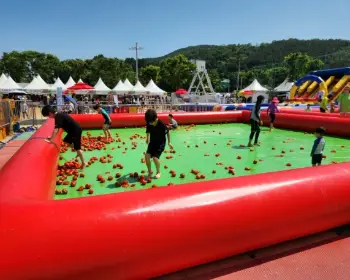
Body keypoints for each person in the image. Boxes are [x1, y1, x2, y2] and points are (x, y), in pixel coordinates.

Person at [145, 109, 173, 179]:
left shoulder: (161, 124)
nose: (150, 124)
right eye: (149, 122)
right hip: (152, 142)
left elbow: (168, 132)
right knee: (147, 156)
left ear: (156, 119)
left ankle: (158, 172)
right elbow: (148, 131)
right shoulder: (149, 122)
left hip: (160, 143)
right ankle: (149, 171)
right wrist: (147, 138)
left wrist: (169, 142)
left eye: (152, 122)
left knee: (155, 158)